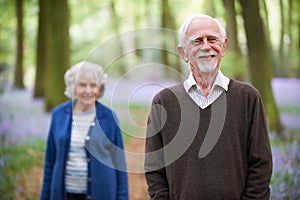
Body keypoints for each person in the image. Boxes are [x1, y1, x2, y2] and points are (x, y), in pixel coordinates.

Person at [144, 14, 273, 199]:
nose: (206, 46)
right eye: (197, 41)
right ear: (183, 53)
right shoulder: (163, 102)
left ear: (223, 46)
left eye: (212, 39)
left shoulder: (248, 98)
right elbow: (154, 168)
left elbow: (261, 163)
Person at [40, 61, 128, 200]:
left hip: (102, 194)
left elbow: (120, 166)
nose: (88, 90)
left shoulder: (109, 118)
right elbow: (50, 162)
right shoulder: (59, 114)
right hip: (64, 194)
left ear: (99, 88)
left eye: (93, 85)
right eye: (82, 85)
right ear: (73, 87)